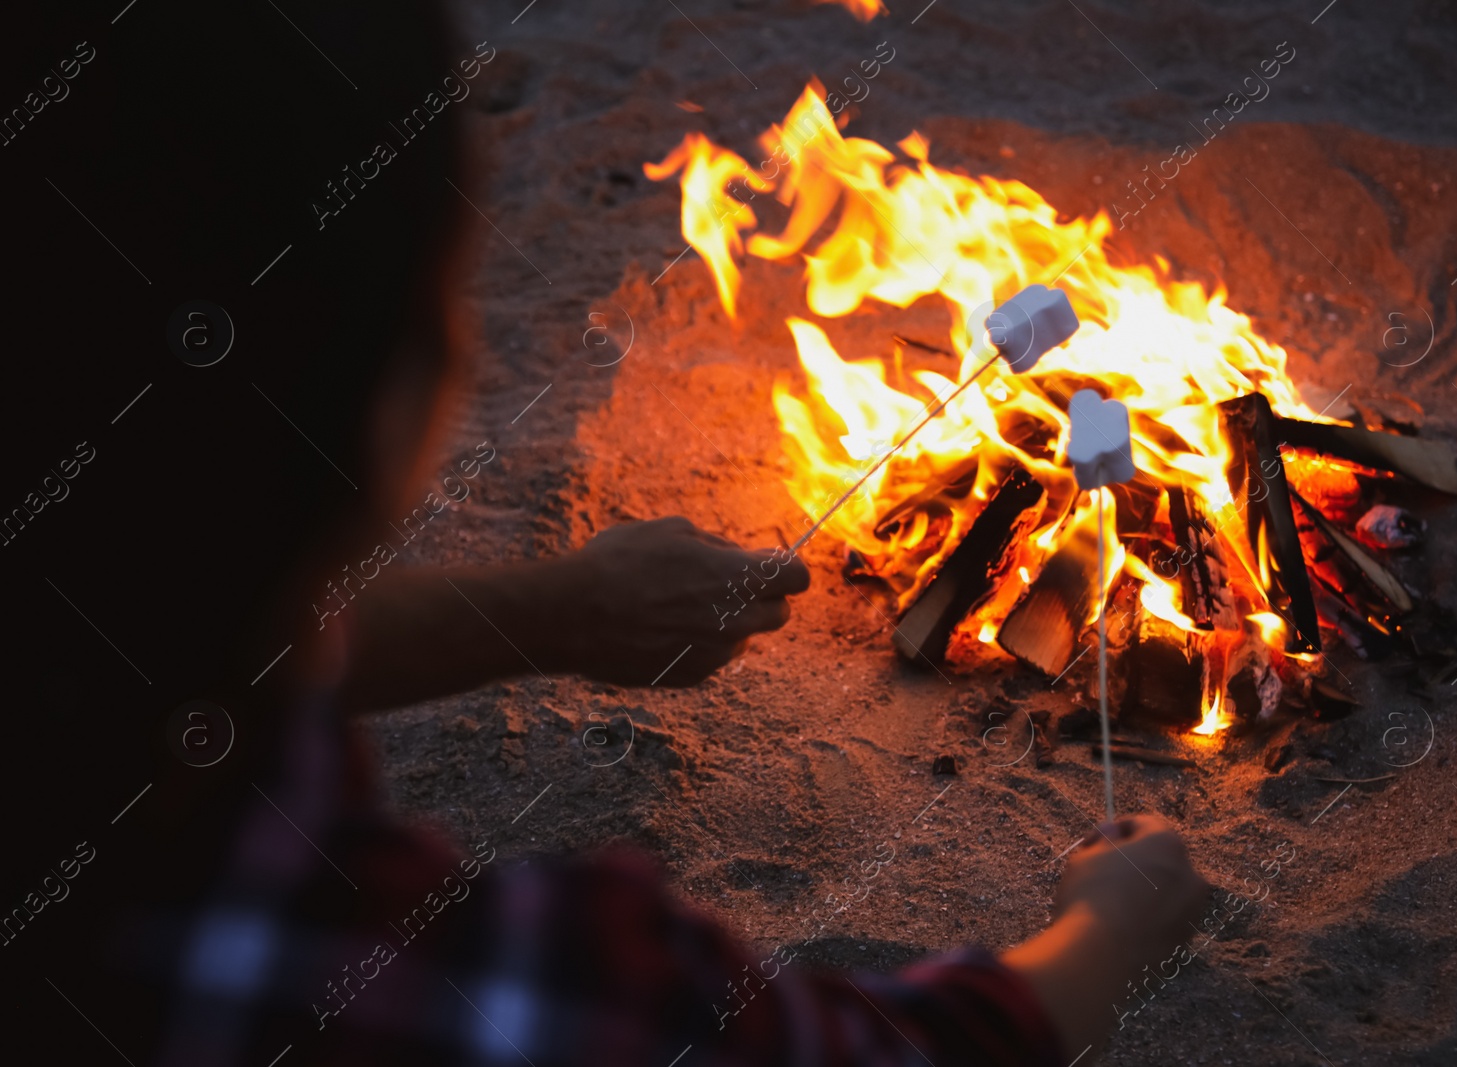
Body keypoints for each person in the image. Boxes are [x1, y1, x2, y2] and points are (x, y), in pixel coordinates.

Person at [0, 4, 1209, 1064]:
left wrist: (560, 609)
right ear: (397, 404)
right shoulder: (443, 979)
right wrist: (1108, 932)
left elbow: (179, 635)